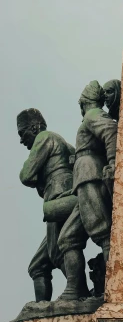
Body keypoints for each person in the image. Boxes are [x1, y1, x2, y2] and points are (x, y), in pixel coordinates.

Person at [57, 81, 118, 300]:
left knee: (103, 233)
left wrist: (112, 161)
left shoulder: (92, 114)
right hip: (84, 176)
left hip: (90, 174)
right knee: (67, 238)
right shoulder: (92, 114)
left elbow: (111, 129)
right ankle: (76, 289)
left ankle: (116, 288)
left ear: (83, 102)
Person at [17, 109, 77, 302]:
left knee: (55, 251)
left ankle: (78, 291)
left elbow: (26, 175)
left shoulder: (44, 137)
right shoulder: (64, 144)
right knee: (38, 265)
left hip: (58, 196)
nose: (21, 140)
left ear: (34, 128)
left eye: (22, 133)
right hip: (65, 195)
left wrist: (36, 178)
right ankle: (42, 307)